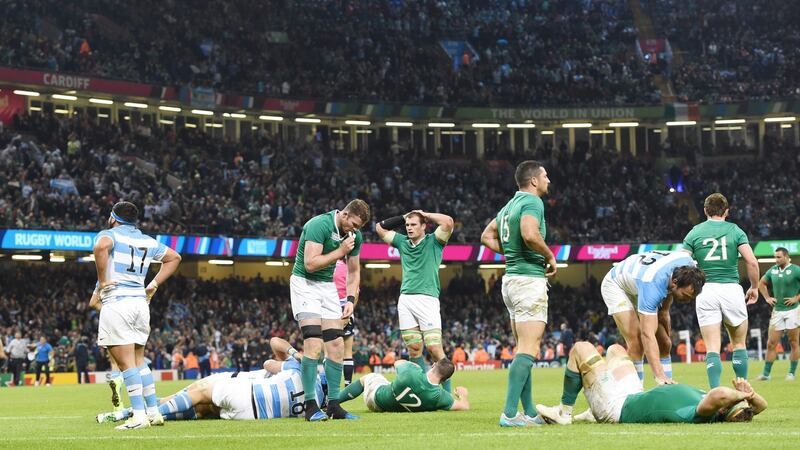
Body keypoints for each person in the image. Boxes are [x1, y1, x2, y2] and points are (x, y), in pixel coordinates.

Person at [92, 201, 182, 430]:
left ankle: (138, 417)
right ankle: (153, 412)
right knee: (139, 361)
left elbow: (101, 247)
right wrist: (153, 285)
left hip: (118, 302)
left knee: (126, 364)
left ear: (113, 218)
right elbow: (175, 257)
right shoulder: (147, 240)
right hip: (140, 304)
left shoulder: (109, 234)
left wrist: (102, 281)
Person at [481, 160, 556, 427]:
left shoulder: (509, 206)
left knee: (524, 347)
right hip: (528, 280)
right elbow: (529, 234)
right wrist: (550, 256)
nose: (548, 180)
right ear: (533, 180)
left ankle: (531, 412)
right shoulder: (533, 202)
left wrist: (511, 252)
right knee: (529, 347)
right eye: (545, 176)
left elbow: (486, 236)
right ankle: (510, 413)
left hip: (511, 280)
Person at [535, 341, 767, 425]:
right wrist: (752, 396)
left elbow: (719, 394)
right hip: (633, 394)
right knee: (616, 350)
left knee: (581, 348)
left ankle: (564, 413)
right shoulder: (719, 408)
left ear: (724, 409)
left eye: (734, 402)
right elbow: (762, 407)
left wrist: (742, 395)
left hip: (616, 407)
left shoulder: (705, 413)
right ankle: (590, 411)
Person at [96, 337, 315, 423]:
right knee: (201, 409)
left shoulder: (293, 368)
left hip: (235, 382)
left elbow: (270, 356)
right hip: (249, 404)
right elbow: (275, 345)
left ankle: (139, 414)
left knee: (187, 396)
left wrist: (294, 355)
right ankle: (129, 413)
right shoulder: (310, 392)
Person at [290, 199, 370, 421]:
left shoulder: (354, 236)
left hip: (327, 286)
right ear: (344, 215)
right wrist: (340, 251)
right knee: (313, 344)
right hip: (304, 283)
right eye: (353, 224)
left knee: (336, 344)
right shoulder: (319, 225)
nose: (355, 230)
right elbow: (310, 264)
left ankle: (334, 405)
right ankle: (310, 407)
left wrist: (350, 299)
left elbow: (354, 272)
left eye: (359, 227)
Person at [682, 193, 759, 388]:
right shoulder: (735, 230)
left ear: (705, 210)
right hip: (731, 289)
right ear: (726, 211)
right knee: (739, 344)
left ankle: (715, 393)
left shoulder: (695, 232)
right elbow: (751, 261)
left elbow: (681, 262)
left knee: (712, 348)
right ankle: (743, 391)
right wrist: (754, 287)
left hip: (705, 290)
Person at [375, 209, 454, 391]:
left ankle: (447, 395)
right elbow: (379, 228)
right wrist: (403, 217)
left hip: (427, 299)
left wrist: (425, 213)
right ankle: (421, 391)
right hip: (405, 300)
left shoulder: (434, 241)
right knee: (414, 348)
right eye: (407, 225)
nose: (409, 228)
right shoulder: (402, 242)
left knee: (434, 348)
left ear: (424, 226)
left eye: (413, 224)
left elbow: (448, 222)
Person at [600, 250, 705, 384]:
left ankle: (667, 389)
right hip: (617, 285)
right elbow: (647, 335)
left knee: (665, 343)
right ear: (674, 282)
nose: (688, 300)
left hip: (642, 282)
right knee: (637, 342)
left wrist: (665, 339)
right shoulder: (653, 285)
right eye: (685, 296)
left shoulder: (690, 268)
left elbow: (664, 313)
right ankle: (637, 390)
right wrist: (659, 374)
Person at [337, 359, 469, 413]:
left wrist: (413, 365)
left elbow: (397, 362)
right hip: (387, 408)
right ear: (445, 379)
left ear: (433, 365)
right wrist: (462, 394)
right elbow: (464, 406)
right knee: (388, 383)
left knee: (368, 377)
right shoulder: (440, 396)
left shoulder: (412, 371)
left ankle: (333, 401)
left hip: (376, 397)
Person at [757, 247, 800, 381]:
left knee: (793, 342)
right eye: (775, 257)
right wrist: (767, 297)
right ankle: (766, 374)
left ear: (786, 257)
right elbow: (761, 283)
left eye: (779, 257)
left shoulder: (796, 270)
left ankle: (791, 373)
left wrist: (796, 298)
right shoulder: (773, 270)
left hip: (793, 310)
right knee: (771, 343)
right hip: (777, 311)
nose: (776, 259)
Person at [333, 259, 358, 386]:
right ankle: (348, 385)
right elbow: (356, 293)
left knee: (330, 352)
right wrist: (349, 312)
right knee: (348, 352)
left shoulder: (326, 265)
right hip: (346, 310)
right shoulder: (349, 268)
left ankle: (331, 386)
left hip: (330, 310)